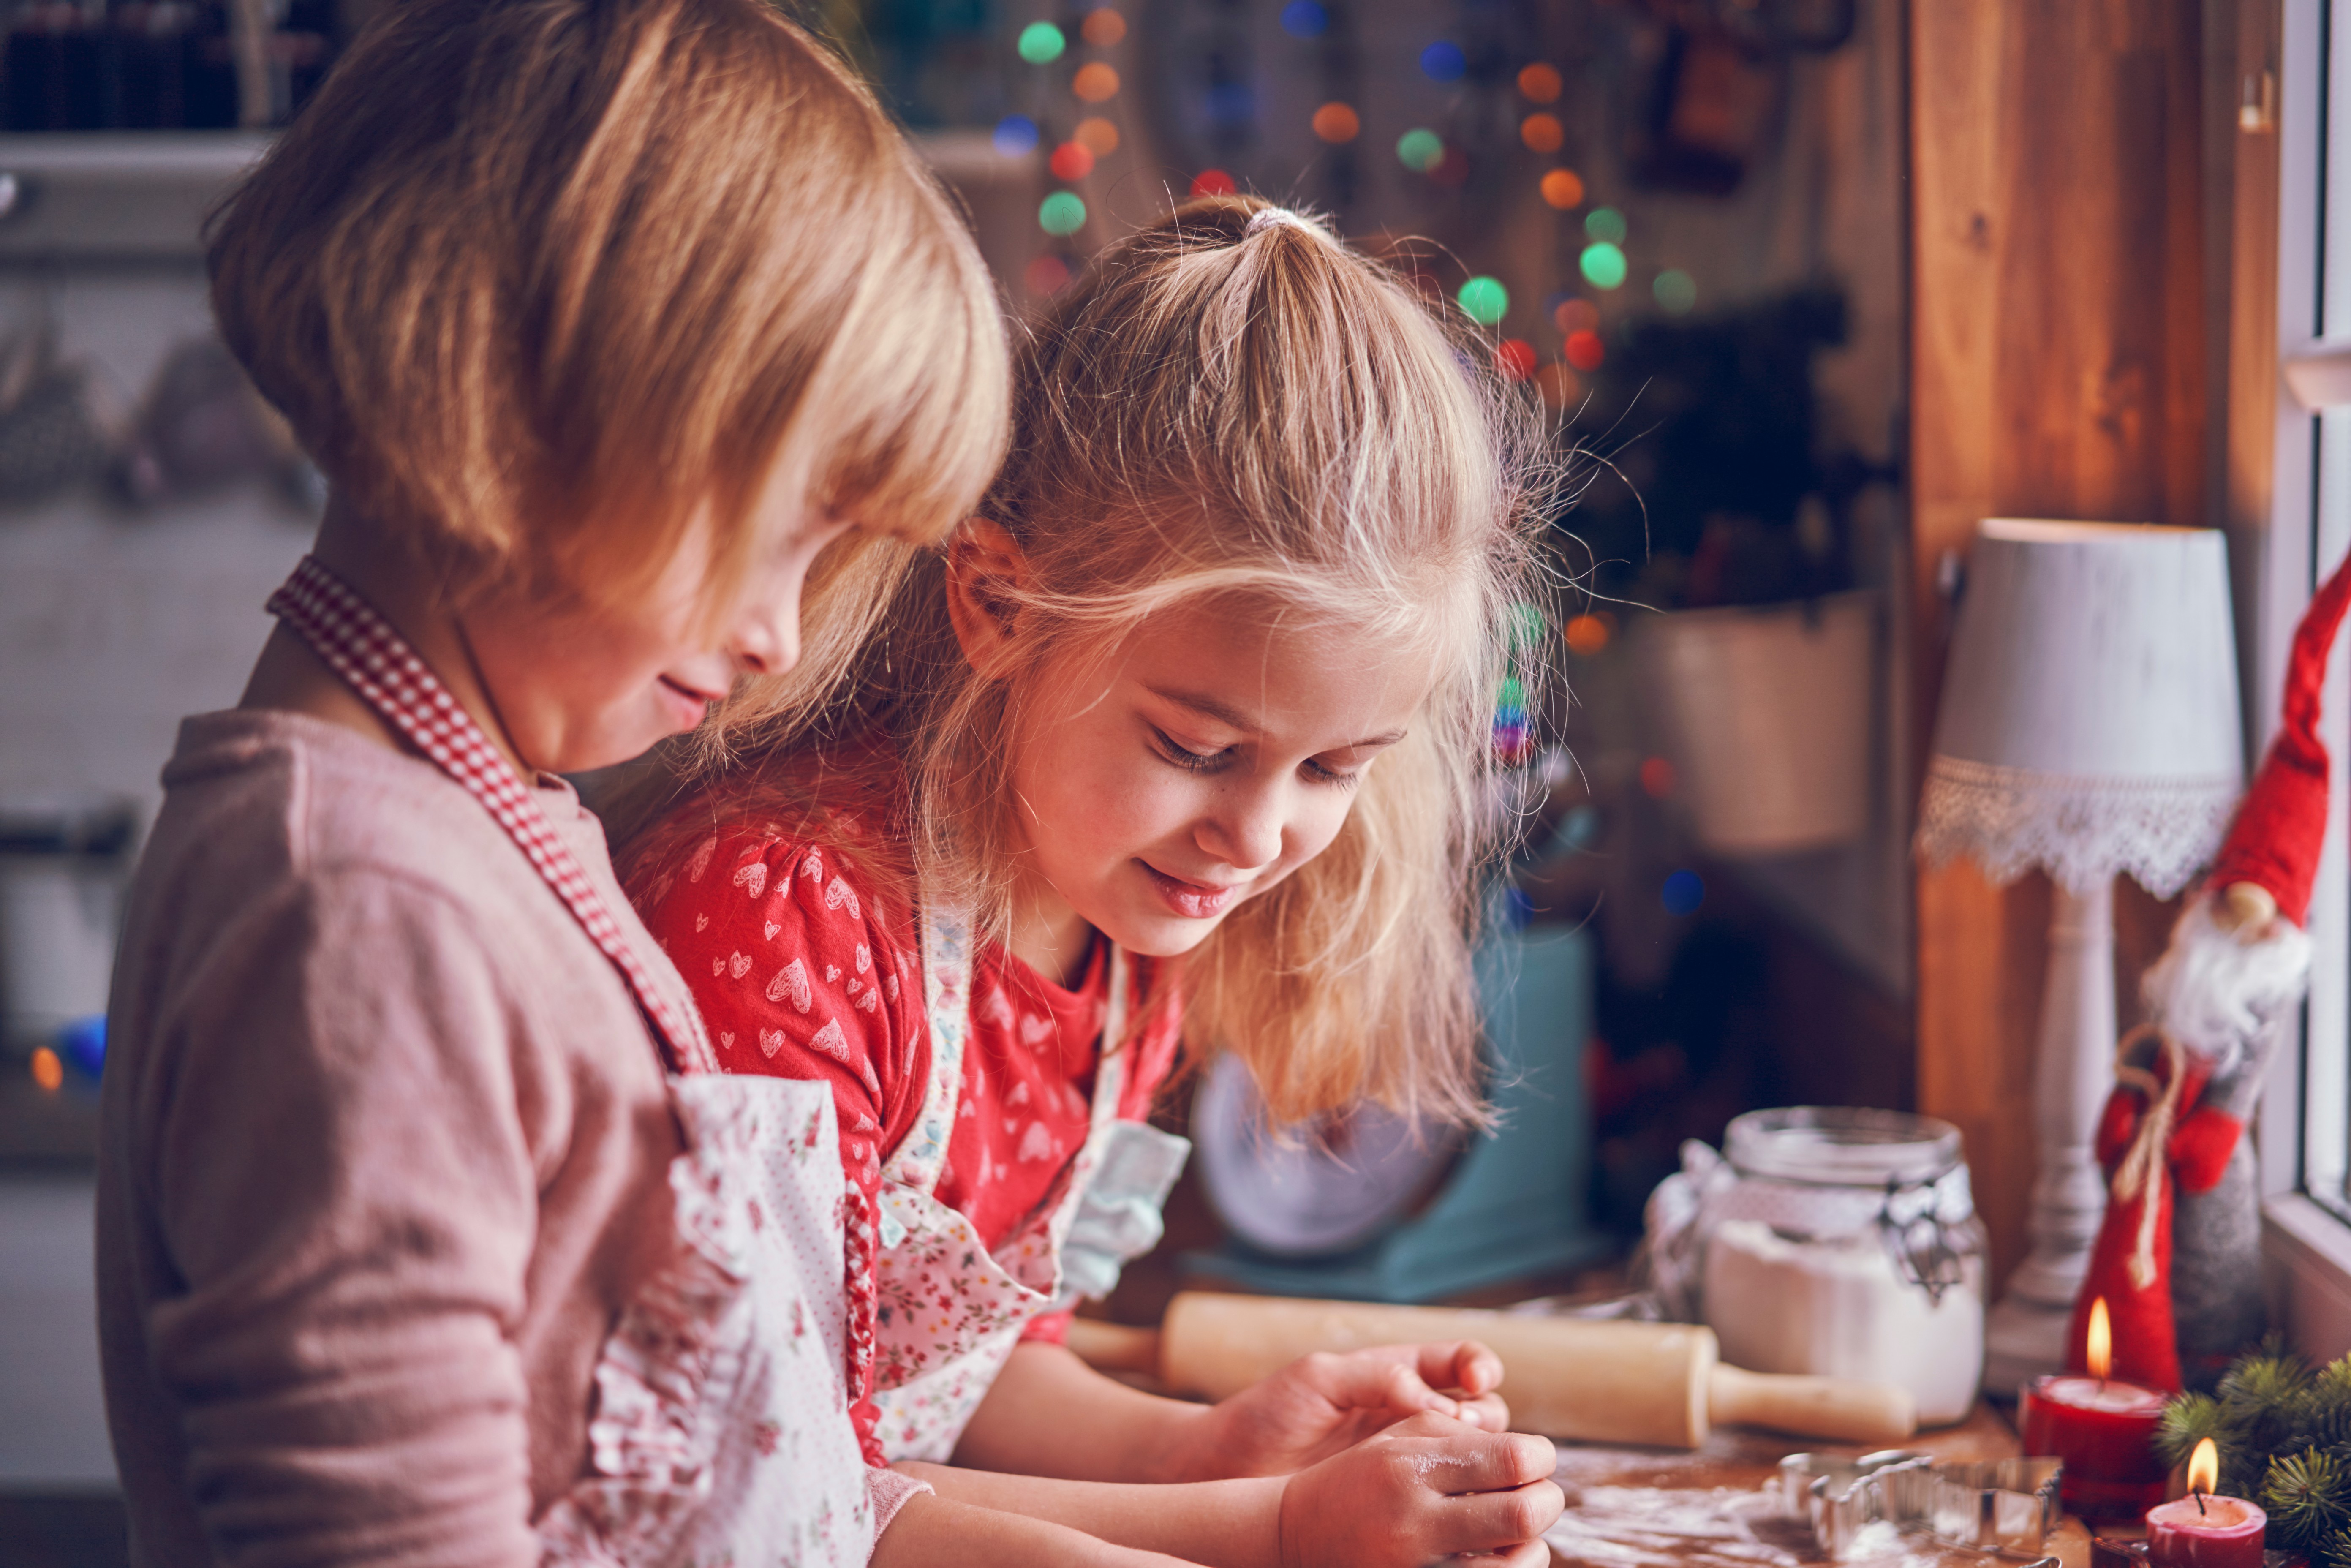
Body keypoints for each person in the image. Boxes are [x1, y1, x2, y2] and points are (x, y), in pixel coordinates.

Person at [89, 2, 1180, 1564]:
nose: (784, 634)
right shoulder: (360, 911)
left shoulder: (487, 826)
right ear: (532, 404)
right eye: (786, 529)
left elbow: (713, 1490)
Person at [615, 196, 1568, 1568]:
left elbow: (935, 1380)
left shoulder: (1123, 928)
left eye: (1333, 768)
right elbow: (772, 1496)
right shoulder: (781, 923)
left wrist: (1203, 1449)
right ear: (1000, 603)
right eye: (1197, 747)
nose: (1253, 836)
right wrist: (1274, 1527)